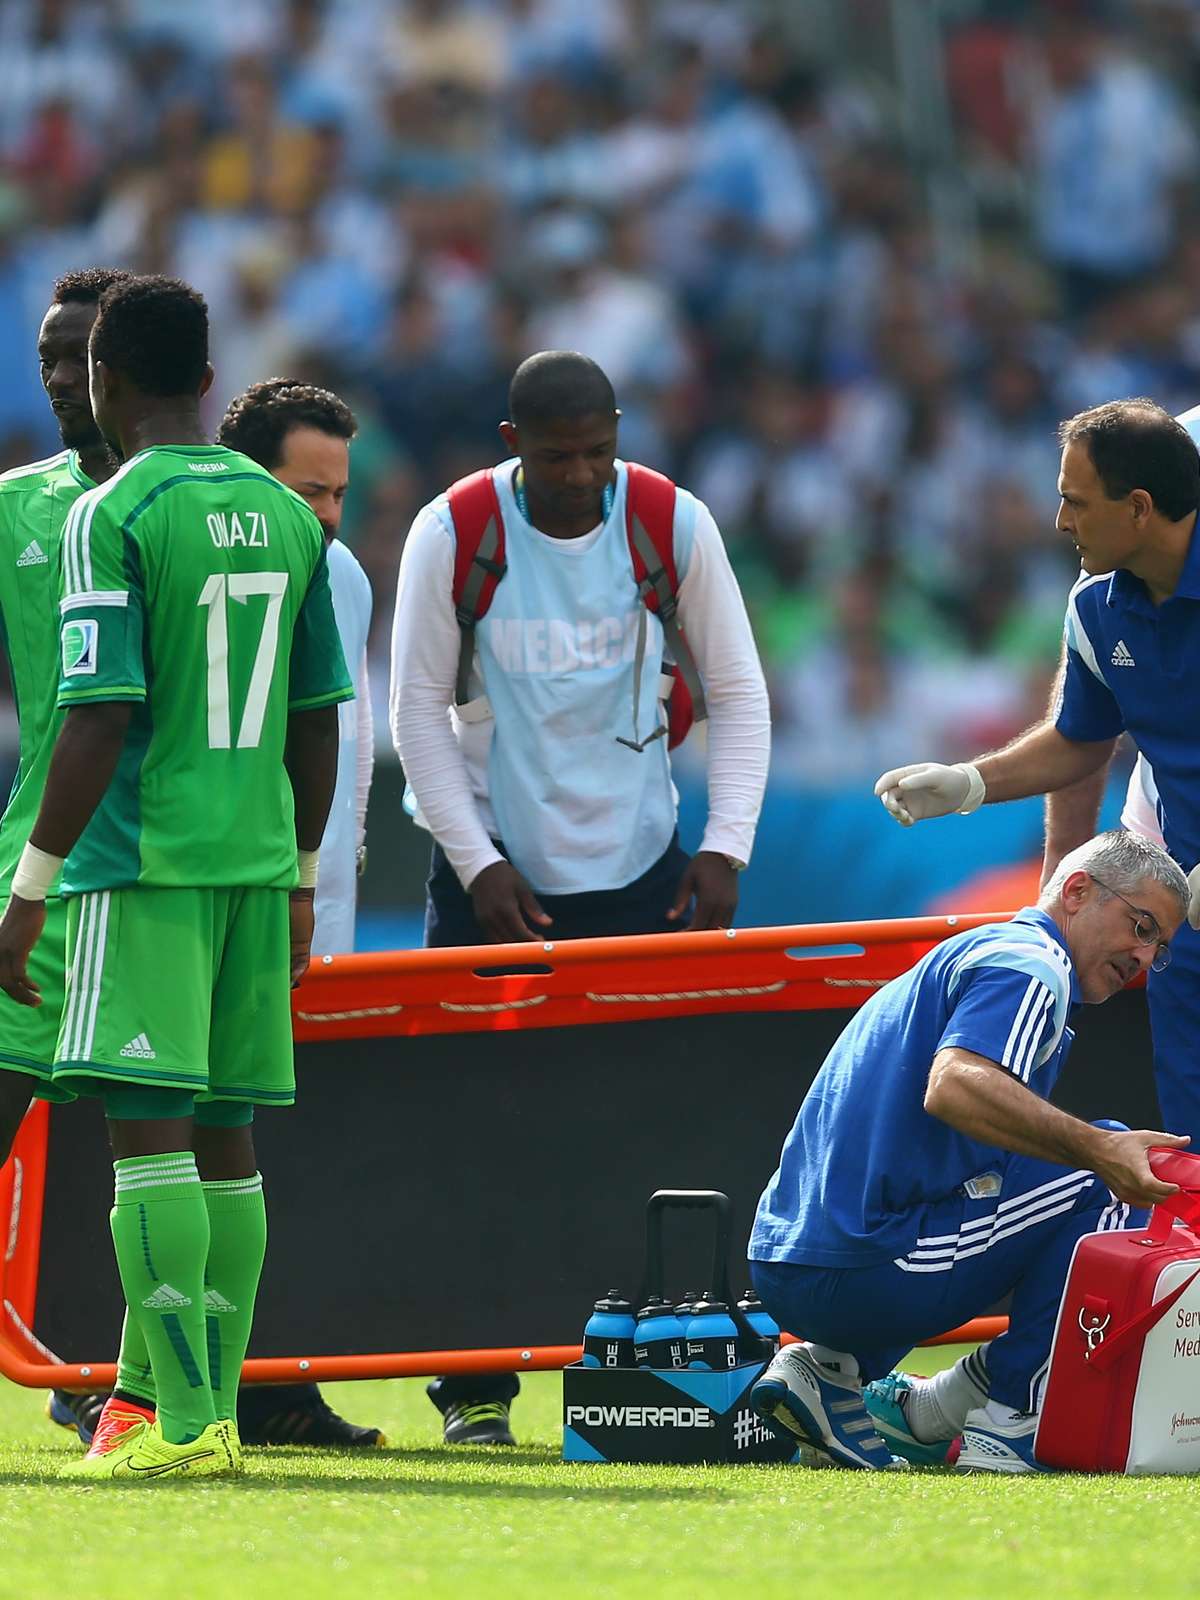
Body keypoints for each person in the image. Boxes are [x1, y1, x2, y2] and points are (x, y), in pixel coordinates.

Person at [0, 275, 351, 1480]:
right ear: (210, 381)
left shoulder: (116, 509)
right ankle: (199, 1413)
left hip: (137, 863)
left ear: (102, 380)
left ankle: (183, 1423)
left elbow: (99, 712)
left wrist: (32, 885)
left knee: (143, 1147)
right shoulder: (290, 513)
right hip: (254, 868)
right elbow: (320, 723)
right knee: (228, 1141)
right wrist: (301, 874)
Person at [390, 349, 770, 1444]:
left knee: (645, 1128)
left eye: (598, 450)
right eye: (558, 458)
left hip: (646, 875)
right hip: (492, 877)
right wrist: (476, 862)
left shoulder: (668, 520)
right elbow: (414, 709)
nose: (581, 475)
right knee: (471, 1132)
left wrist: (726, 848)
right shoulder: (454, 531)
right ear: (514, 446)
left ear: (618, 432)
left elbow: (739, 692)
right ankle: (474, 1393)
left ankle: (643, 1376)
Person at [748, 831, 1189, 1473]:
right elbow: (954, 1085)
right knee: (1109, 1177)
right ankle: (1014, 1418)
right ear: (1077, 890)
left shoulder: (985, 951)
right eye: (1140, 925)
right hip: (858, 1267)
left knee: (1076, 1164)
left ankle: (830, 1371)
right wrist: (1102, 1149)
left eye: (1160, 946)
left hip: (790, 1259)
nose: (1144, 956)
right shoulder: (1033, 962)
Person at [874, 400, 1200, 1152]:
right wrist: (970, 783)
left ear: (1140, 509)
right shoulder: (1096, 607)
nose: (1061, 521)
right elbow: (1081, 739)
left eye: (1076, 502)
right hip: (1185, 923)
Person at [214, 375, 380, 1448]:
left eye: (336, 493)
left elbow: (346, 749)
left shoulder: (346, 575)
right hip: (210, 894)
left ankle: (271, 1384)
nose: (324, 515)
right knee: (182, 1139)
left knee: (273, 1154)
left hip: (307, 913)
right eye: (304, 489)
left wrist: (326, 903)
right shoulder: (201, 558)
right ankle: (105, 1371)